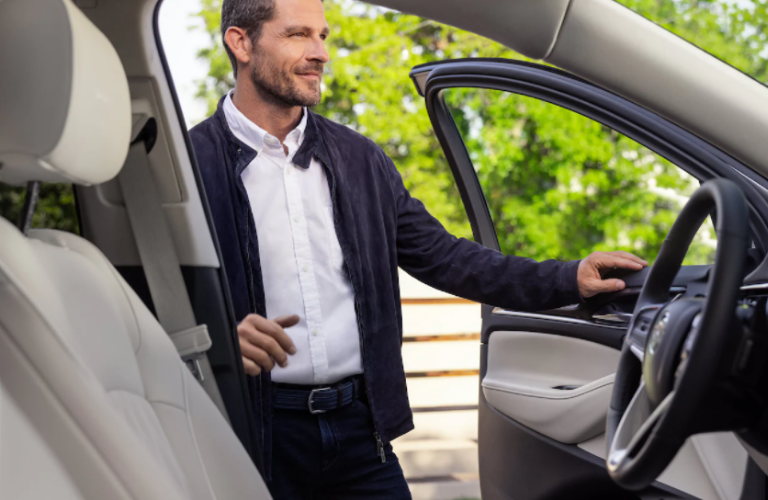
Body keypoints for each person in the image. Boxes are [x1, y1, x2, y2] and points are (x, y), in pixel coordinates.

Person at [189, 0, 648, 497]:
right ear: (241, 43)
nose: (321, 52)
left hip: (362, 434)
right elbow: (140, 297)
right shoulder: (187, 167)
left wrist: (566, 278)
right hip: (252, 435)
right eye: (299, 35)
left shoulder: (361, 159)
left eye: (323, 36)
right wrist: (216, 337)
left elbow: (447, 257)